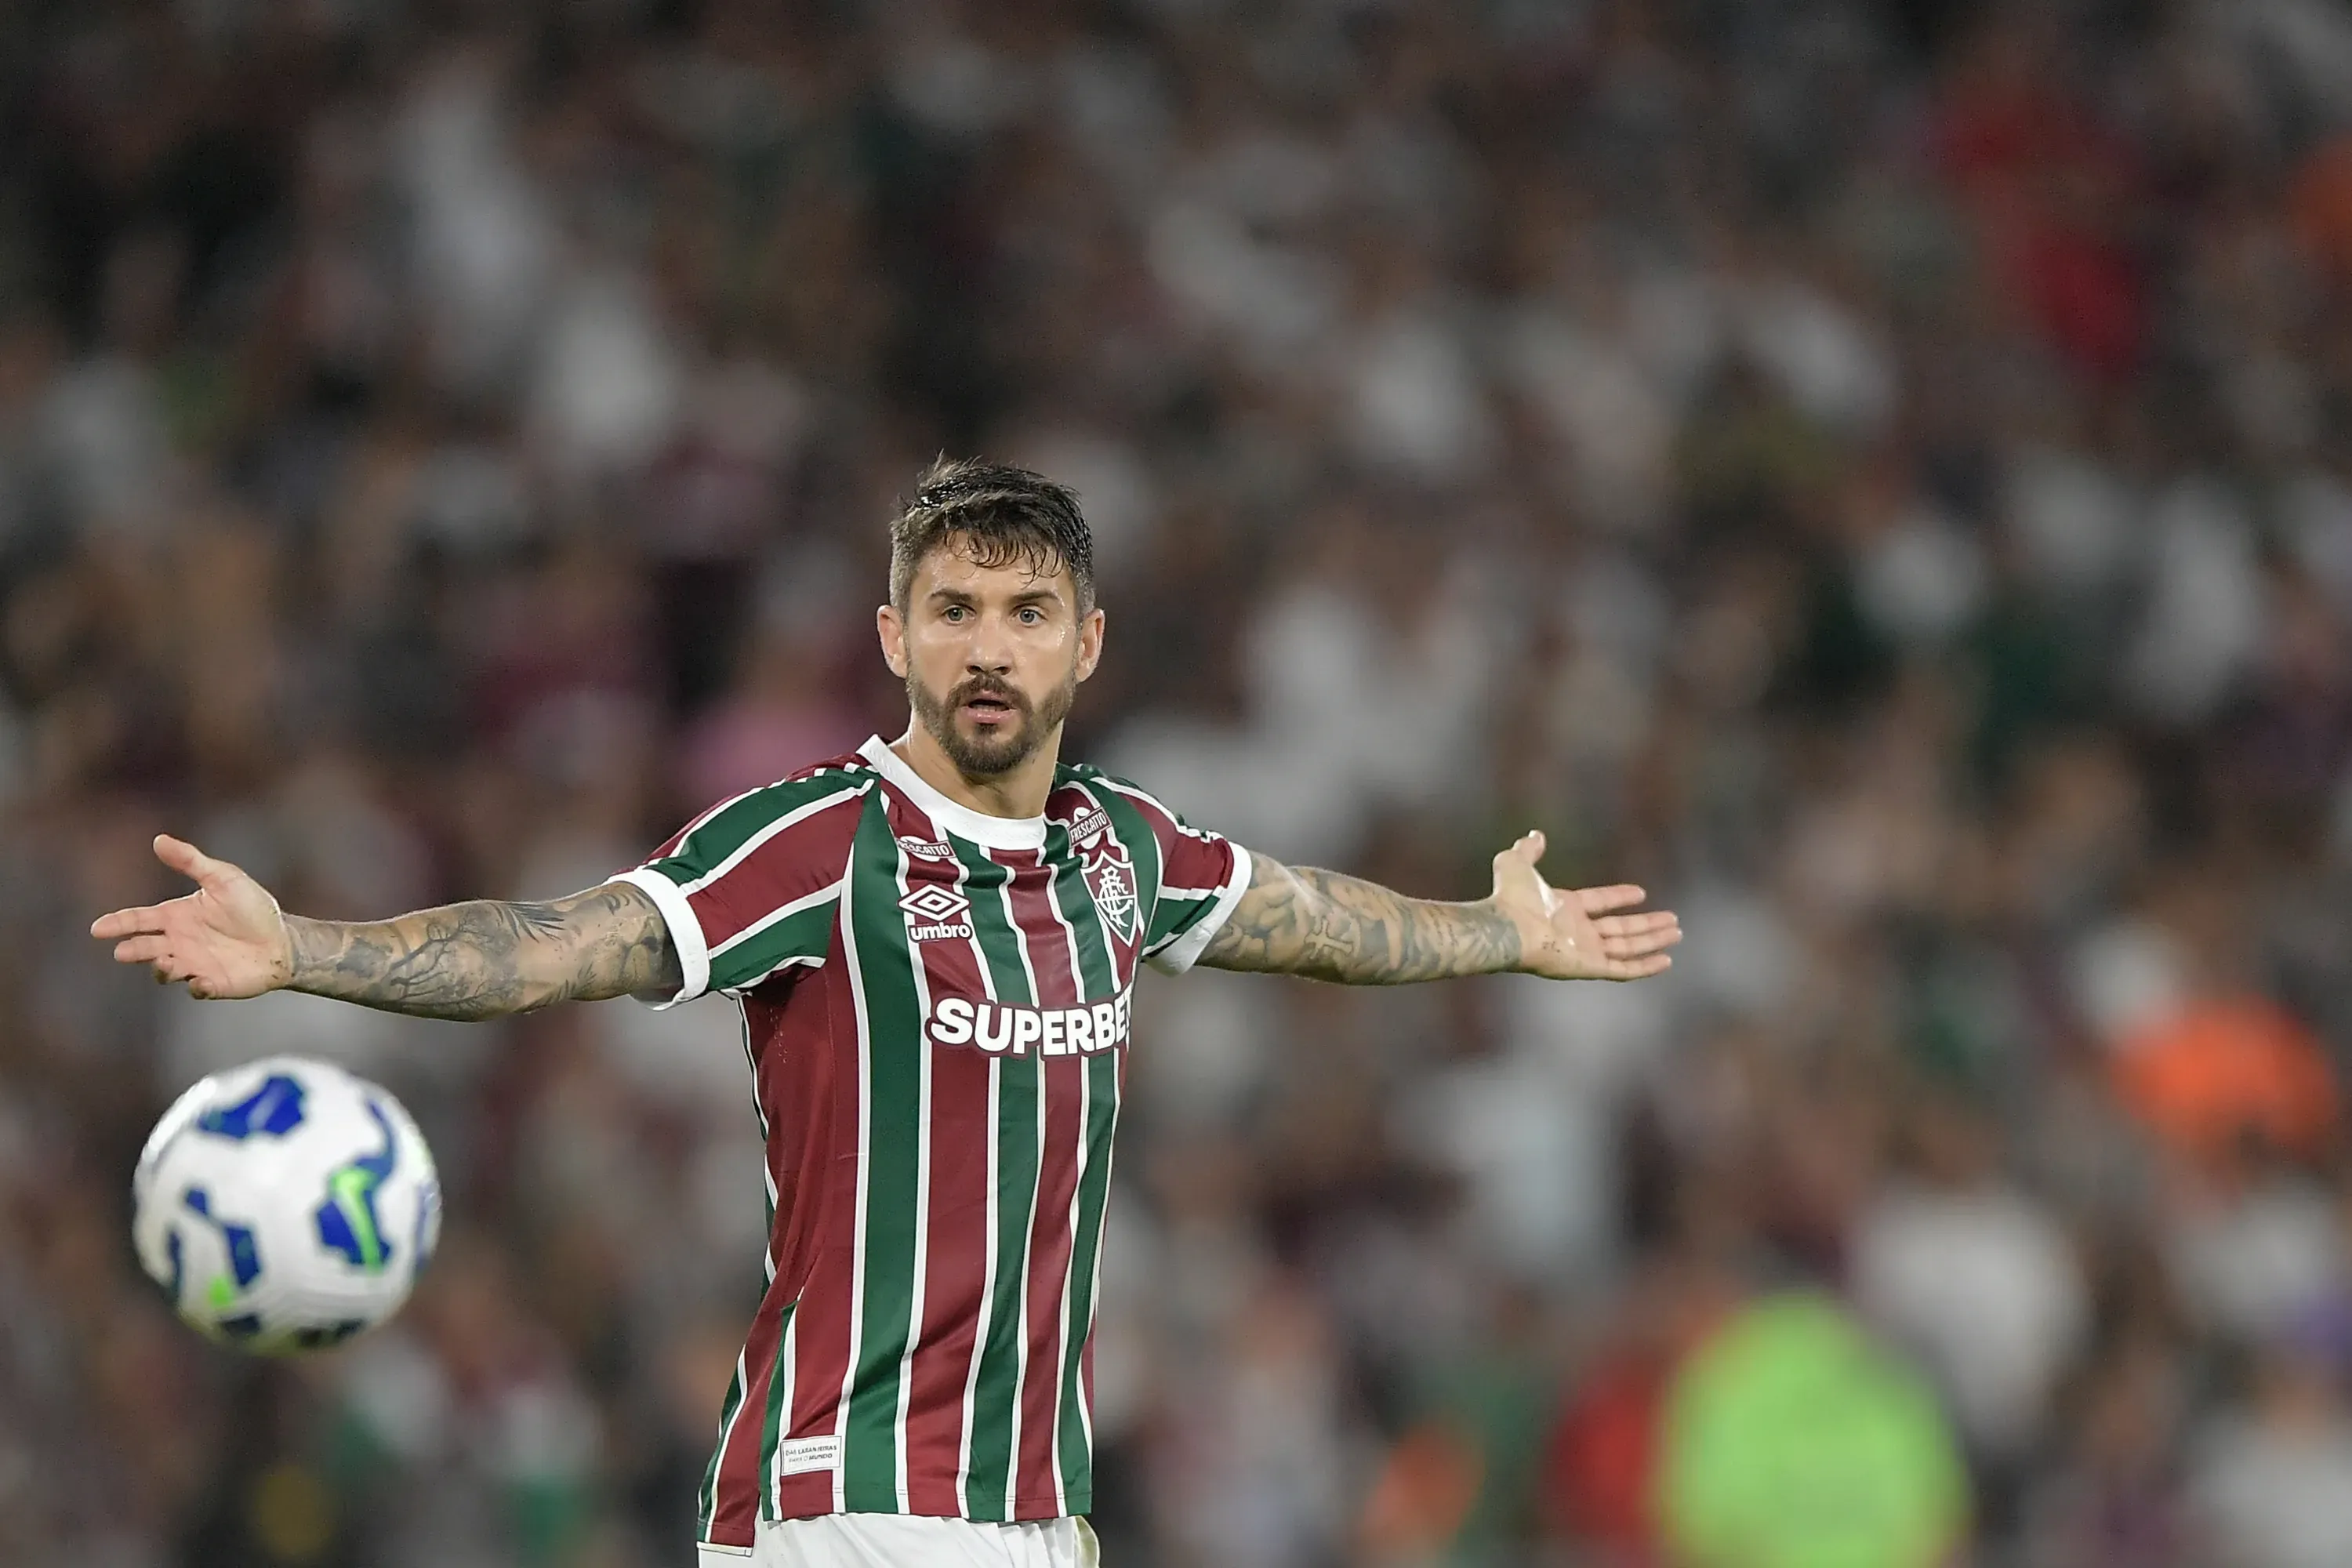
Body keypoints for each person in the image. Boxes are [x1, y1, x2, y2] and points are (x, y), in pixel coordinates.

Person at [90, 459, 1682, 1568]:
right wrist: (303, 946)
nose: (989, 647)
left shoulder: (1118, 853)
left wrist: (1495, 931)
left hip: (1026, 1511)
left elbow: (1313, 922)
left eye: (1027, 611)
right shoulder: (817, 841)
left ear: (1089, 642)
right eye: (954, 609)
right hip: (839, 1504)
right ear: (893, 638)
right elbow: (564, 942)